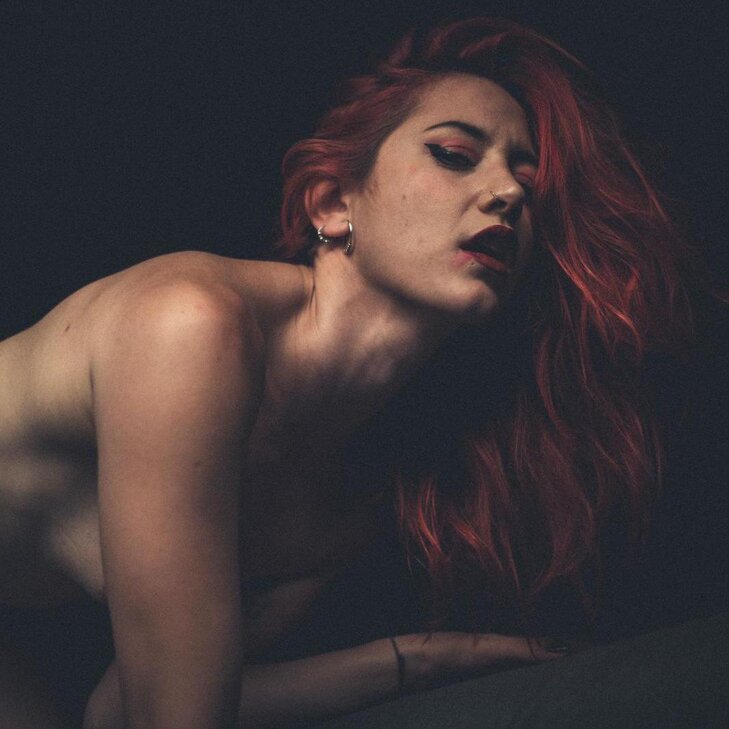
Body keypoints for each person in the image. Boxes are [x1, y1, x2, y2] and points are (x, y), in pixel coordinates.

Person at [0, 15, 711, 729]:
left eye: (526, 181)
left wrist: (421, 658)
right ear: (334, 204)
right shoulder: (190, 325)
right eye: (454, 155)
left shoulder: (344, 500)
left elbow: (120, 708)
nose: (507, 193)